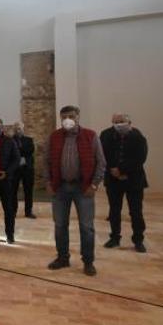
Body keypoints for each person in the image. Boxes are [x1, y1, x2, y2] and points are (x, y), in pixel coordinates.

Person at [45, 105, 106, 276]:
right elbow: (46, 161)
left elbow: (101, 162)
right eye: (64, 117)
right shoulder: (54, 137)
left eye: (71, 116)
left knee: (86, 227)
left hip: (83, 188)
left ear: (78, 116)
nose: (67, 120)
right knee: (60, 225)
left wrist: (94, 185)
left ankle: (88, 261)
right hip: (60, 187)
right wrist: (48, 182)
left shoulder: (90, 136)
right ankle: (62, 258)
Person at [100, 113, 149, 252]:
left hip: (133, 179)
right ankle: (115, 237)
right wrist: (112, 170)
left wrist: (122, 170)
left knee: (136, 211)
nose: (119, 124)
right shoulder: (106, 135)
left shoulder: (138, 136)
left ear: (129, 122)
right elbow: (101, 154)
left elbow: (141, 157)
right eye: (116, 121)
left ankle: (138, 239)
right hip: (113, 179)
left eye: (122, 121)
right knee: (114, 210)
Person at [9, 122, 36, 219]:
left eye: (19, 128)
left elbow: (30, 151)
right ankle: (13, 211)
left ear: (23, 129)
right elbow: (9, 152)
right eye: (16, 128)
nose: (18, 130)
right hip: (15, 169)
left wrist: (18, 151)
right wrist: (20, 152)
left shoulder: (29, 140)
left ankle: (28, 211)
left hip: (27, 169)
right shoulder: (9, 140)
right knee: (13, 191)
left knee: (28, 191)